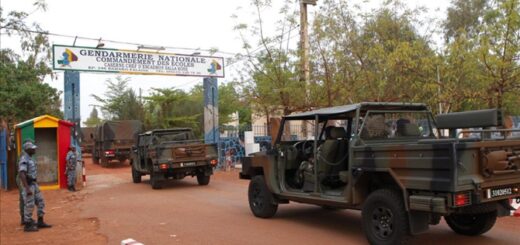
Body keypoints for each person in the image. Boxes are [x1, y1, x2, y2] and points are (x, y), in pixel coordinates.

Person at [18, 140, 52, 232]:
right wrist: (27, 188)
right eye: (32, 149)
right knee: (29, 204)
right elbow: (22, 174)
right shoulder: (24, 159)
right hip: (28, 185)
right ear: (28, 149)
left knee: (40, 201)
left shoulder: (30, 158)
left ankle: (40, 221)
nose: (34, 150)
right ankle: (28, 225)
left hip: (34, 184)